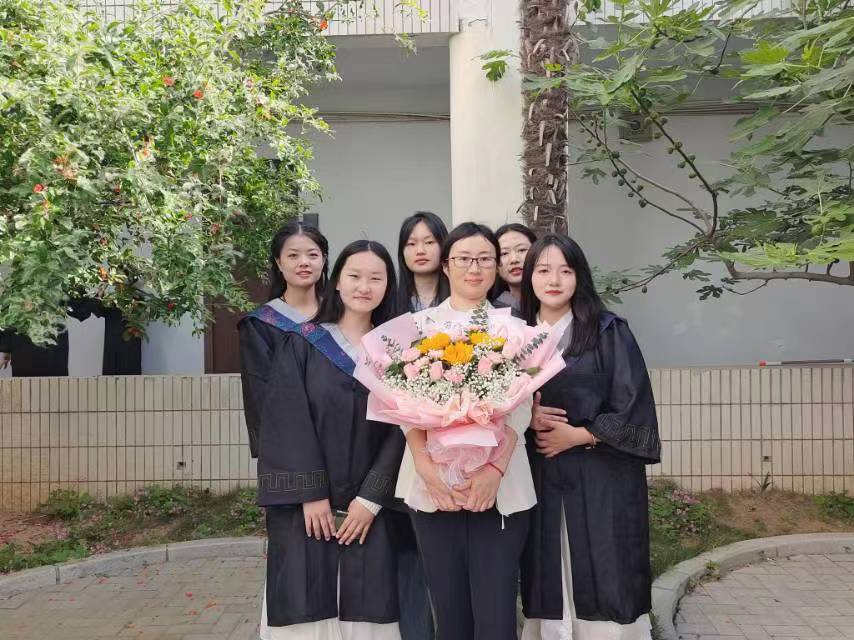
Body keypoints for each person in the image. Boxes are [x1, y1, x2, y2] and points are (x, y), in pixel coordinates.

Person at [241, 239, 405, 640]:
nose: (364, 286)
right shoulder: (303, 342)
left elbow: (404, 431)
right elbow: (285, 422)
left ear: (388, 285)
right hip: (308, 508)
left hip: (371, 509)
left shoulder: (399, 352)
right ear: (337, 281)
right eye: (355, 276)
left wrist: (371, 499)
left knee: (368, 611)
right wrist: (310, 493)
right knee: (304, 603)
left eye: (376, 278)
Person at [518, 234, 661, 640]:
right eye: (543, 270)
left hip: (602, 477)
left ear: (580, 276)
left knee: (605, 564)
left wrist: (581, 435)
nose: (554, 280)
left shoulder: (608, 332)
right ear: (529, 277)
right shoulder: (514, 336)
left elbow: (634, 405)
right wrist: (526, 417)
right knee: (547, 566)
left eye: (565, 270)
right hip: (541, 475)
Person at [397, 222, 535, 640]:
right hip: (434, 487)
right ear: (446, 265)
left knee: (496, 615)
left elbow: (522, 409)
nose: (474, 268)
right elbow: (402, 407)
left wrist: (494, 470)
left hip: (500, 486)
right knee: (450, 613)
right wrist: (426, 469)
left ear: (496, 267)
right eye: (464, 259)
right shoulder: (416, 327)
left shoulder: (517, 330)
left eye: (485, 259)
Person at [239, 220, 328, 457]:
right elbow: (261, 394)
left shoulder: (341, 315)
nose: (304, 262)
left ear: (324, 260)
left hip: (342, 437)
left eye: (312, 255)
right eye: (293, 255)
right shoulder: (261, 324)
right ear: (279, 262)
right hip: (291, 445)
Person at [396, 211, 449, 313]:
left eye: (429, 242)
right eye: (411, 244)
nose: (420, 251)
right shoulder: (392, 304)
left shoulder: (460, 300)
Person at [492, 223, 537, 312]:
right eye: (504, 253)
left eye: (522, 250)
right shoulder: (491, 312)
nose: (514, 259)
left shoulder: (557, 301)